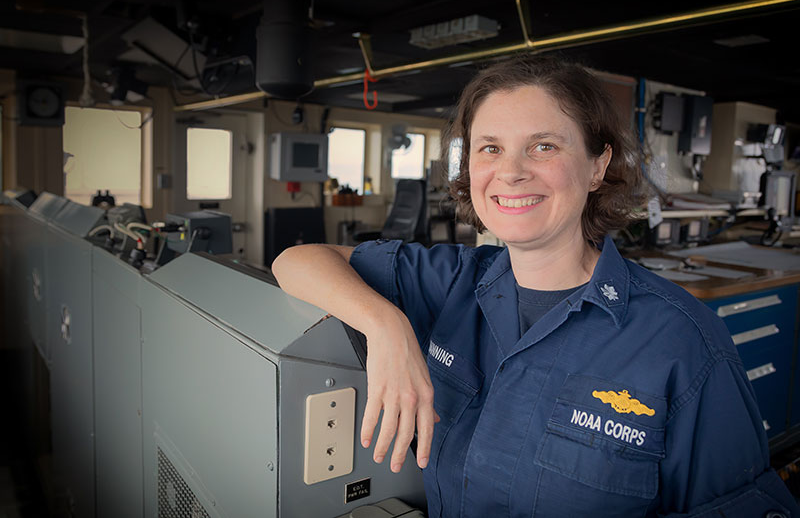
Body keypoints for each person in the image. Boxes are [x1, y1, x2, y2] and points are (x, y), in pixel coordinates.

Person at [273, 54, 799, 517]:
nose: (512, 172)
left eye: (543, 146)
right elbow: (296, 260)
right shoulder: (450, 281)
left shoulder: (683, 343)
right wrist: (386, 325)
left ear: (598, 165)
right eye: (490, 148)